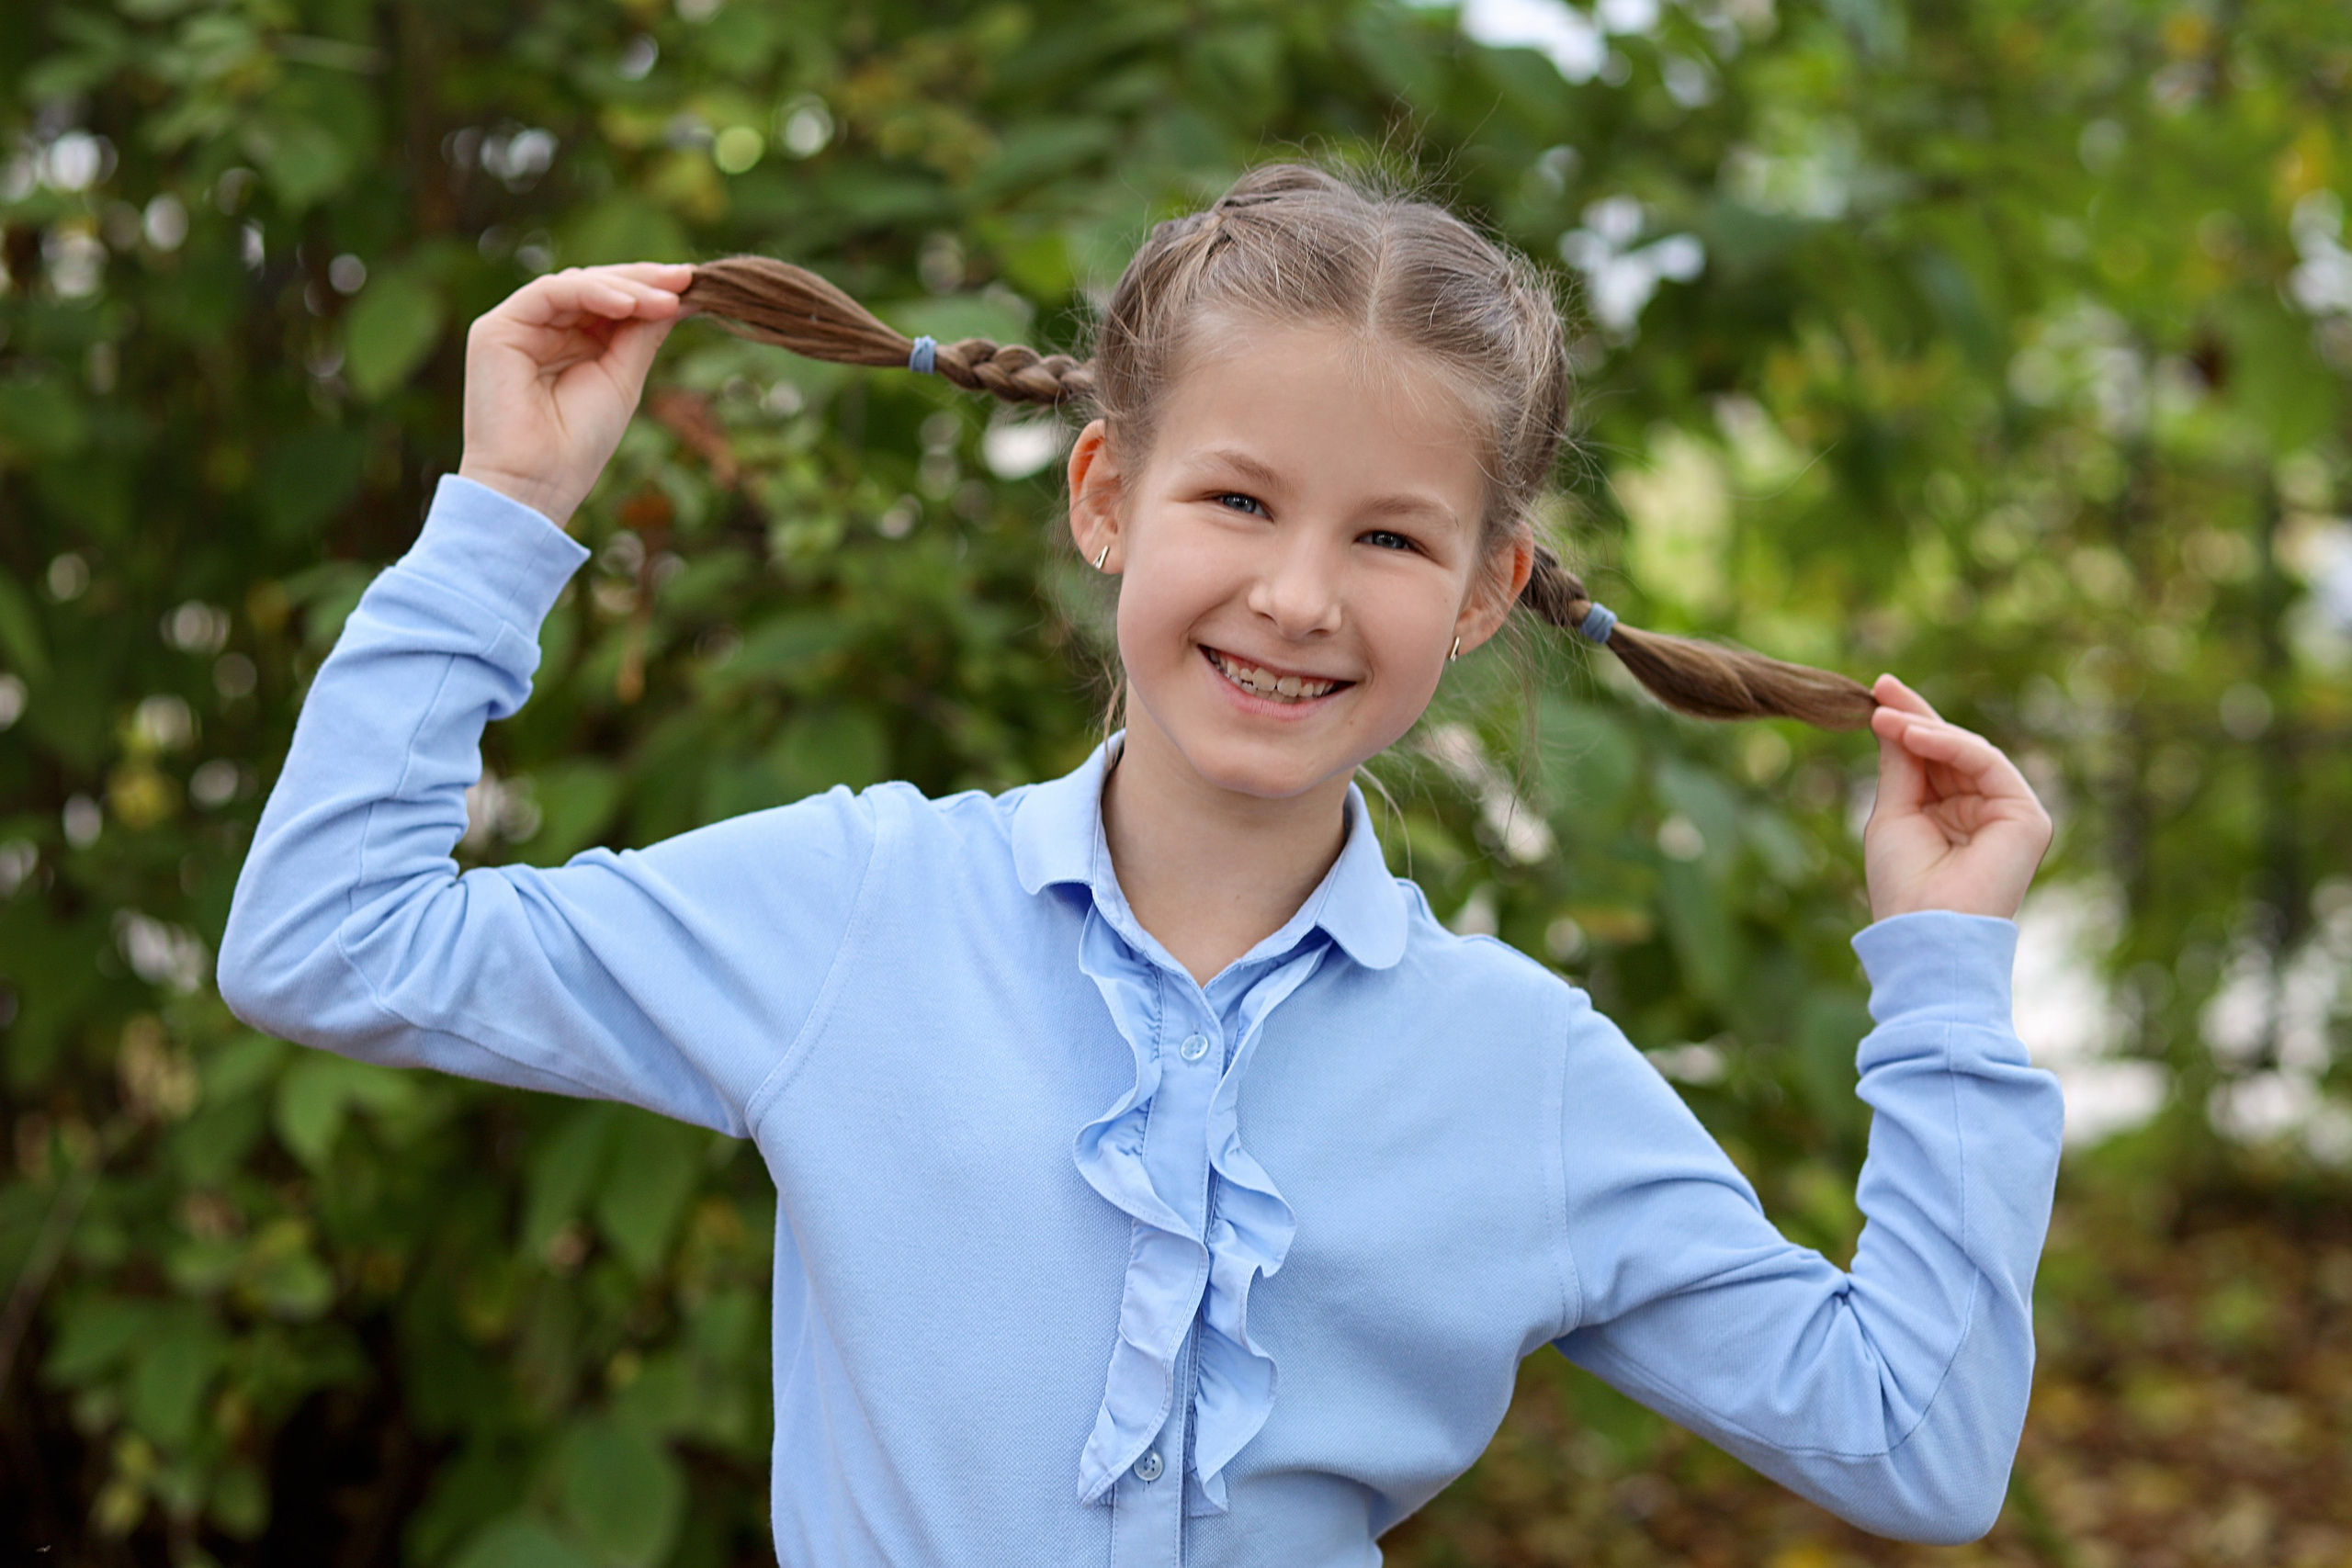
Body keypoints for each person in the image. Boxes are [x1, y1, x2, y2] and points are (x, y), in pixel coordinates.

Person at [218, 162, 2064, 1567]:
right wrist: (504, 516)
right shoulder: (859, 908)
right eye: (1237, 499)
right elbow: (325, 939)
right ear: (1105, 495)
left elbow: (1915, 1445)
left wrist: (1941, 986)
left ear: (1485, 593)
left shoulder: (1530, 1070)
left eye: (1391, 538)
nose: (1297, 594)